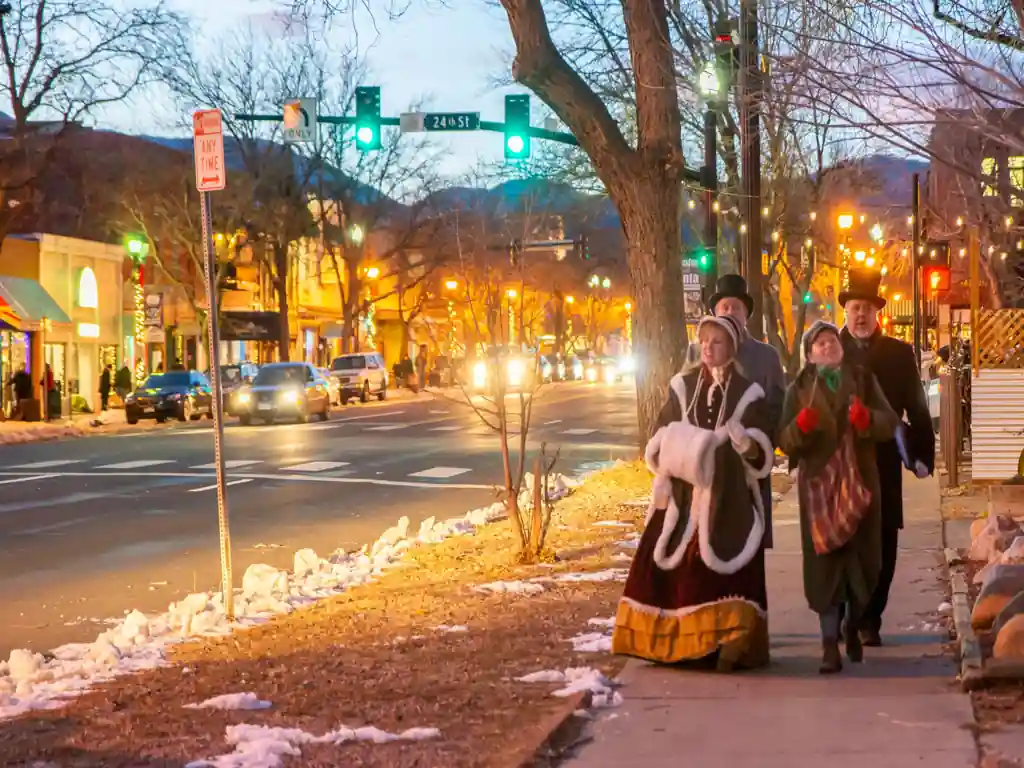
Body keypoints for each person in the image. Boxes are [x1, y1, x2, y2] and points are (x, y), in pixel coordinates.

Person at [613, 314, 774, 671]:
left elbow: (763, 452)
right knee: (671, 564)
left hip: (727, 498)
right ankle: (673, 643)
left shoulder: (749, 394)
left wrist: (746, 444)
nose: (709, 349)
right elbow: (660, 431)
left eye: (717, 342)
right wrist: (673, 447)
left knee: (726, 568)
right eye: (704, 342)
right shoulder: (683, 386)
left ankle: (728, 643)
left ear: (731, 348)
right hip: (683, 496)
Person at [778, 321, 898, 673]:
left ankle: (853, 625)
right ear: (810, 354)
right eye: (820, 344)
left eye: (832, 341)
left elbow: (890, 421)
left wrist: (867, 420)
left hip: (860, 484)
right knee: (825, 565)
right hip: (819, 489)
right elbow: (783, 440)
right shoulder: (799, 388)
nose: (828, 346)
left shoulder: (861, 379)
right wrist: (799, 428)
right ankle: (829, 644)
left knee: (862, 563)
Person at [839, 269, 935, 647]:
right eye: (854, 307)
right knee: (842, 539)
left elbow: (917, 407)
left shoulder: (899, 353)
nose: (860, 314)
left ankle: (870, 617)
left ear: (878, 312)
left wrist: (920, 455)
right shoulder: (828, 349)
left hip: (883, 462)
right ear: (845, 311)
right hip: (840, 464)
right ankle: (848, 613)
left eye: (867, 308)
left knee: (882, 541)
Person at [686, 274, 786, 547]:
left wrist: (758, 447)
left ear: (746, 314)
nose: (730, 313)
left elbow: (778, 409)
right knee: (707, 547)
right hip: (708, 470)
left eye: (736, 308)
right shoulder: (697, 353)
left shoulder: (766, 357)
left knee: (749, 550)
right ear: (715, 313)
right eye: (724, 308)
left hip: (749, 470)